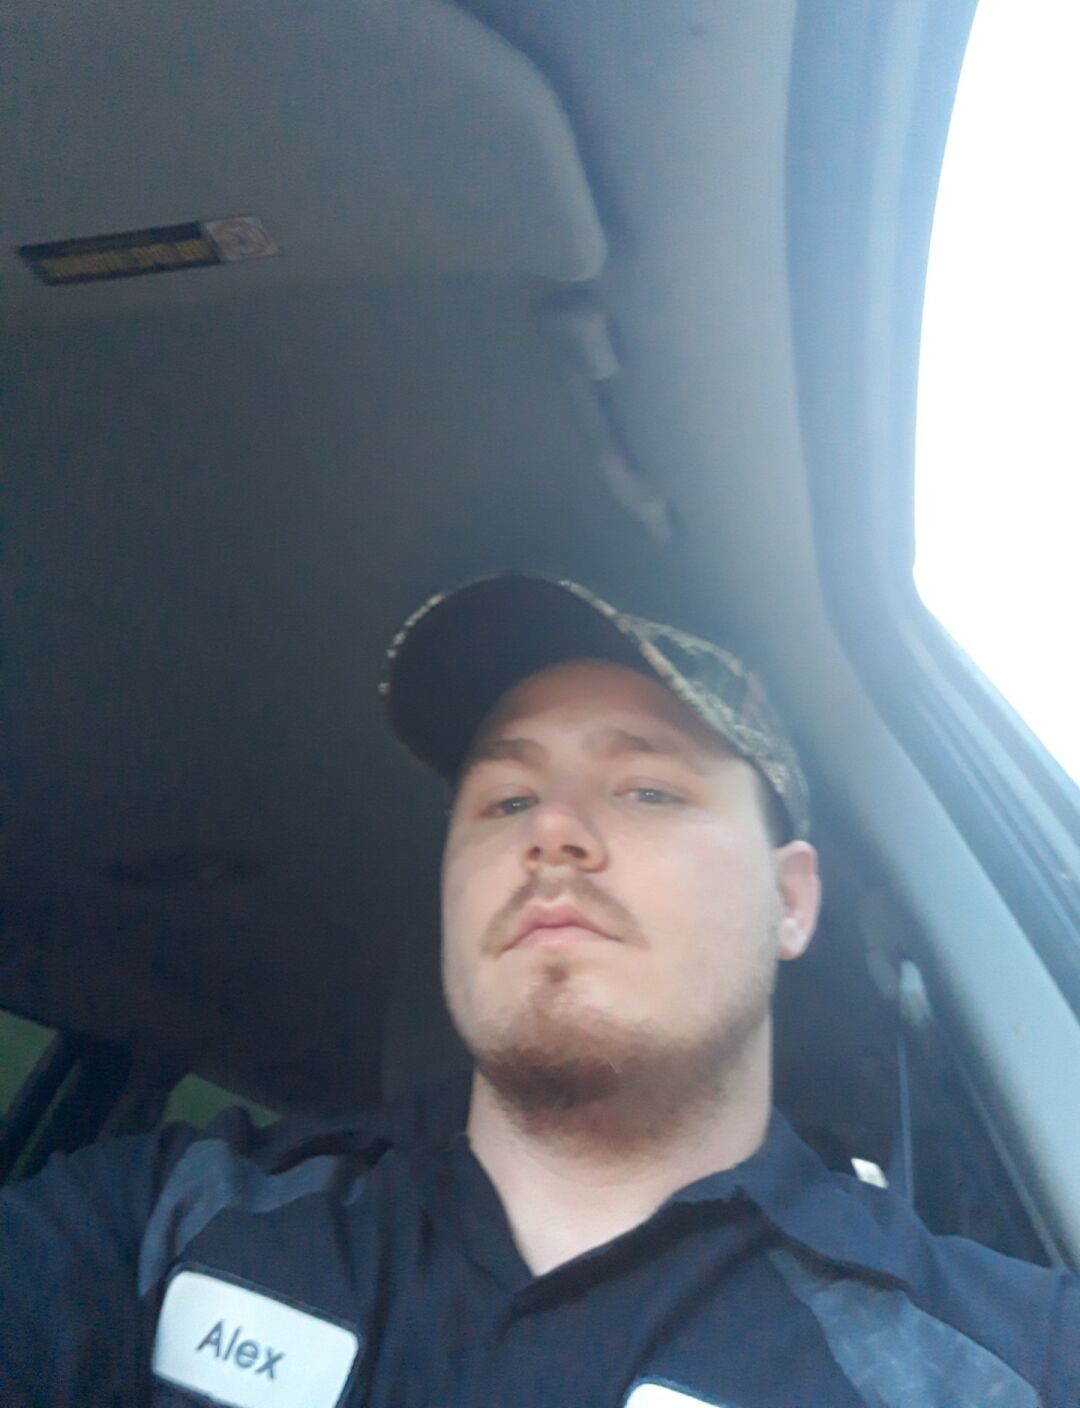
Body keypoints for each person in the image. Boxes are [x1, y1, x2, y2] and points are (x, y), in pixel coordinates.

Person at [1, 573, 1077, 1407]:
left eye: (647, 788)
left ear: (792, 902)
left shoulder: (997, 1362)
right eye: (506, 800)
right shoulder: (169, 1221)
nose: (552, 828)